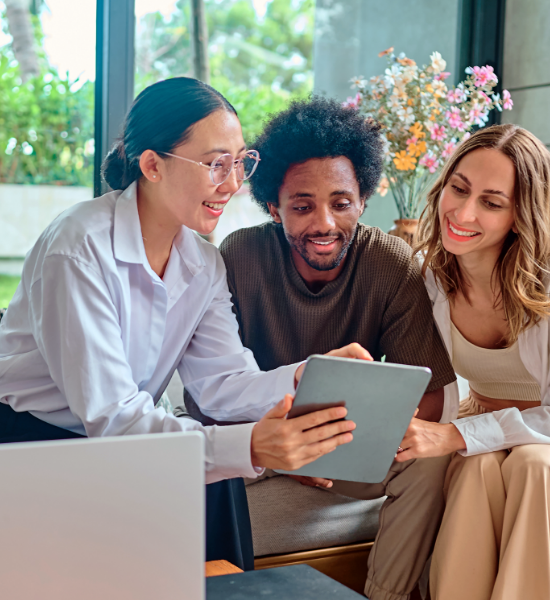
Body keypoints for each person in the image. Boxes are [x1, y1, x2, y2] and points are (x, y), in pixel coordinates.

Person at [0, 77, 371, 571]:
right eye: (215, 165)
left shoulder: (204, 264)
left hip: (96, 453)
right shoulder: (78, 247)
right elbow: (113, 417)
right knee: (215, 463)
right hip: (6, 449)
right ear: (152, 165)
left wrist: (306, 375)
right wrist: (247, 444)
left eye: (240, 162)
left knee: (212, 470)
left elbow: (224, 385)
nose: (232, 185)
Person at [196, 97, 458, 600]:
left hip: (346, 449)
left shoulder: (391, 263)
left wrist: (334, 452)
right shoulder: (240, 256)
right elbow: (210, 395)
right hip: (261, 444)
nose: (324, 223)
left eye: (341, 203)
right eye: (301, 206)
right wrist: (286, 450)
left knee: (430, 460)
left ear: (364, 198)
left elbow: (430, 400)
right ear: (273, 206)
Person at [396, 123, 550, 600]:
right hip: (487, 424)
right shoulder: (434, 275)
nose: (464, 212)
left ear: (520, 213)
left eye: (491, 203)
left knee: (534, 467)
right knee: (474, 470)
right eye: (459, 188)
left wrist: (456, 434)